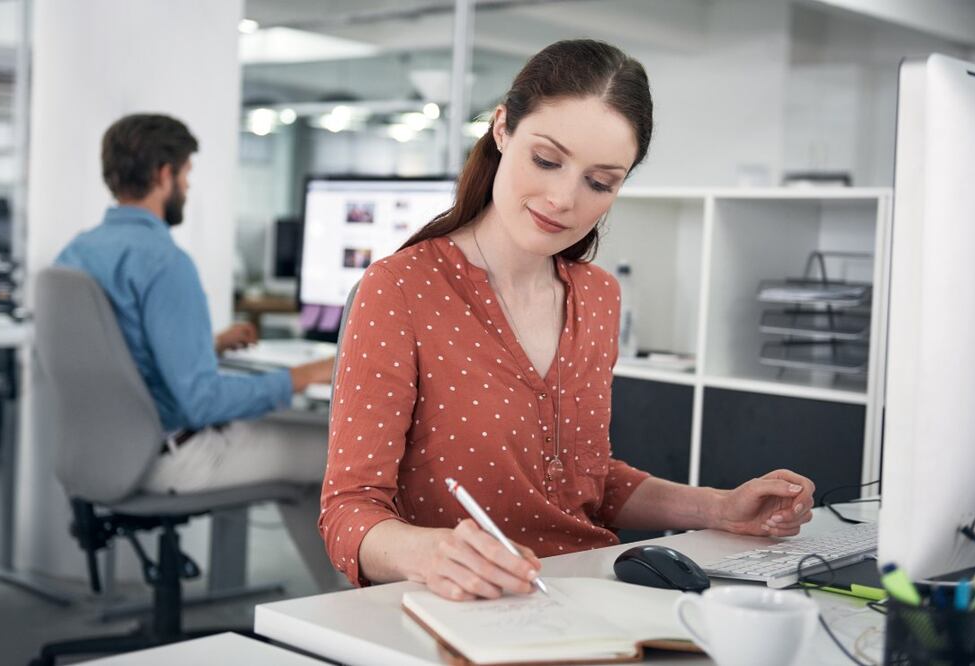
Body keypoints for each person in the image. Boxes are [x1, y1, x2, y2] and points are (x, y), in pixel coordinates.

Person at [318, 39, 816, 601]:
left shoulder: (597, 296)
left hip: (588, 596)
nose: (563, 198)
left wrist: (721, 508)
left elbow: (588, 481)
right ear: (502, 129)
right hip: (458, 608)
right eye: (547, 160)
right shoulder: (400, 289)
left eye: (599, 183)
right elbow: (348, 511)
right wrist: (430, 555)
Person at [57, 113, 334, 494]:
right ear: (163, 174)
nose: (187, 185)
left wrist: (206, 346)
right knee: (340, 457)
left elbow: (116, 352)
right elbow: (202, 403)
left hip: (102, 450)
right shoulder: (165, 262)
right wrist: (306, 375)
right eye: (186, 173)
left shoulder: (77, 252)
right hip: (169, 457)